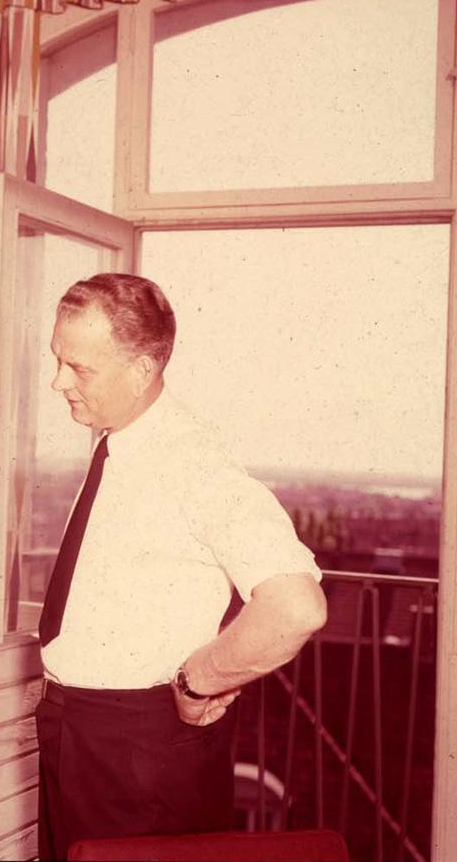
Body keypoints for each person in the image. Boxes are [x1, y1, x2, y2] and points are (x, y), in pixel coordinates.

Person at [36, 273, 327, 860]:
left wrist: (201, 680)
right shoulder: (118, 443)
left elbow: (296, 606)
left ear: (143, 369)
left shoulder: (192, 460)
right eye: (58, 361)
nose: (58, 382)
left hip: (137, 746)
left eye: (80, 370)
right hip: (81, 729)